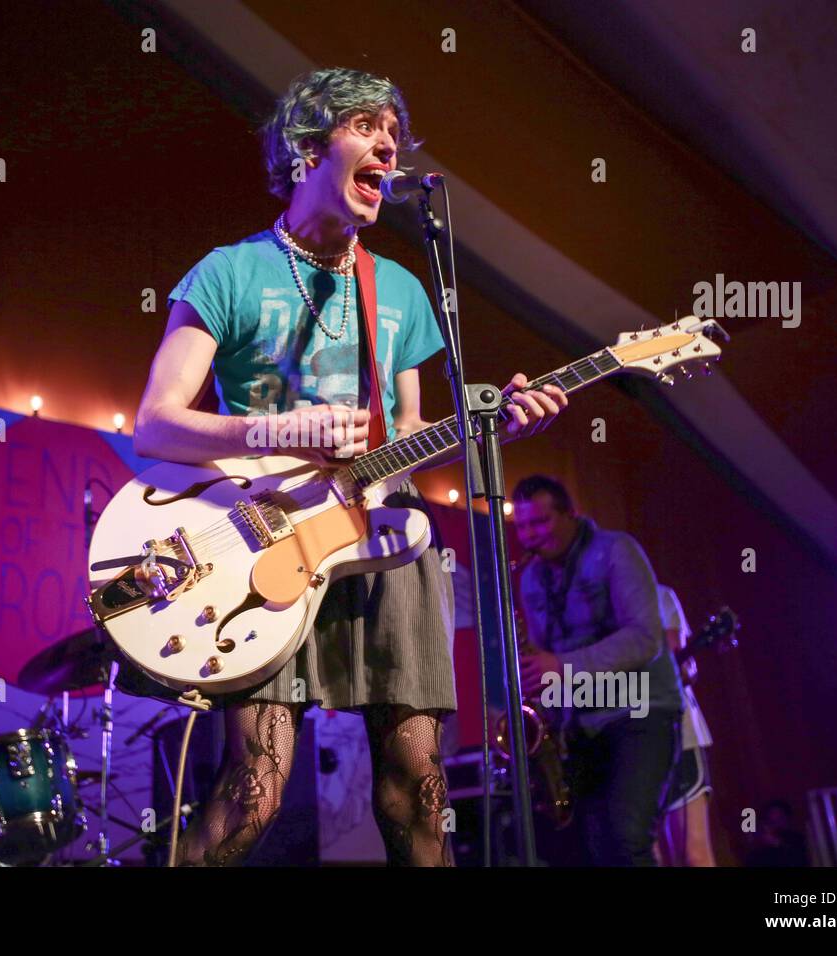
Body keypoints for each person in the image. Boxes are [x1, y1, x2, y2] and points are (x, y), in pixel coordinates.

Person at [129, 67, 567, 866]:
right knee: (257, 786)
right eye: (366, 126)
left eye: (393, 131)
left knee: (417, 783)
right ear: (305, 148)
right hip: (263, 540)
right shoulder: (229, 271)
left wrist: (493, 419)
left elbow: (409, 431)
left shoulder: (397, 287)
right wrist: (281, 432)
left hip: (381, 540)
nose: (389, 143)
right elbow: (153, 425)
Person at [512, 475, 681, 865]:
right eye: (523, 526)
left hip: (641, 711)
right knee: (595, 850)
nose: (531, 535)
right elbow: (545, 656)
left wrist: (563, 666)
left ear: (571, 514)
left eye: (540, 522)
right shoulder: (533, 577)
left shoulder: (617, 550)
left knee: (627, 837)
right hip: (584, 723)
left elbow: (644, 639)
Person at [654, 584, 717, 866]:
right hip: (623, 744)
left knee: (694, 854)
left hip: (679, 737)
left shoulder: (659, 596)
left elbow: (687, 670)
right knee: (648, 857)